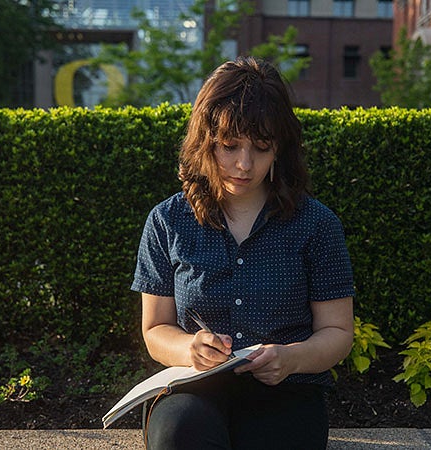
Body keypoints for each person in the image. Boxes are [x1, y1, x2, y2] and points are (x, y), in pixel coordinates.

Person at [131, 56, 354, 450]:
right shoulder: (168, 220)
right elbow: (155, 330)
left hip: (288, 387)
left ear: (280, 149)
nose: (244, 164)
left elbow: (337, 333)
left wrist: (291, 358)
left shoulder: (316, 224)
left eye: (261, 148)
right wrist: (190, 348)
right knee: (178, 435)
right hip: (194, 386)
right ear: (205, 142)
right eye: (229, 146)